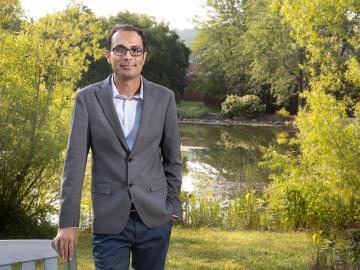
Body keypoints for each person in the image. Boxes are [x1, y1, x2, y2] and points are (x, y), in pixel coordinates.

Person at [52, 24, 182, 270]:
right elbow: (74, 164)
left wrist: (172, 207)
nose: (128, 56)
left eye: (135, 50)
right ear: (108, 55)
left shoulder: (164, 98)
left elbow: (173, 159)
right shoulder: (87, 99)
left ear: (144, 56)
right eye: (120, 49)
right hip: (109, 218)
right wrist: (68, 222)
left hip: (155, 218)